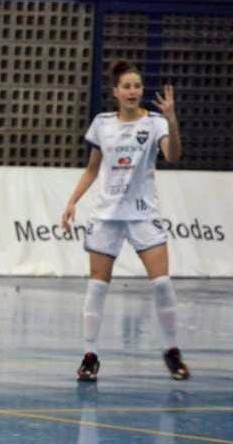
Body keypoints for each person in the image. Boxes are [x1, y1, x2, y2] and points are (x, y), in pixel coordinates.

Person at [60, 60, 188, 382]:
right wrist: (73, 201)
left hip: (143, 213)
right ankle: (90, 356)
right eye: (127, 86)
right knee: (97, 285)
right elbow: (92, 169)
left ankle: (172, 351)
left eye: (137, 86)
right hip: (107, 215)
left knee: (161, 283)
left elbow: (173, 156)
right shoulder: (102, 124)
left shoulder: (155, 123)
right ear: (116, 92)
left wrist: (172, 120)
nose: (133, 91)